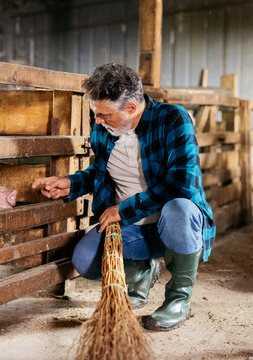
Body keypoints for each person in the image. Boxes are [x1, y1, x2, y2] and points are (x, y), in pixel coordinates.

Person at [32, 63, 215, 331]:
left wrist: (125, 210)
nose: (98, 121)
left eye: (105, 115)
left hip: (173, 225)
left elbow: (182, 183)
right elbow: (101, 172)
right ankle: (142, 272)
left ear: (131, 108)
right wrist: (71, 184)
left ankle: (178, 299)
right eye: (96, 114)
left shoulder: (173, 119)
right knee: (85, 260)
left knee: (180, 209)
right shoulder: (104, 129)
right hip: (134, 229)